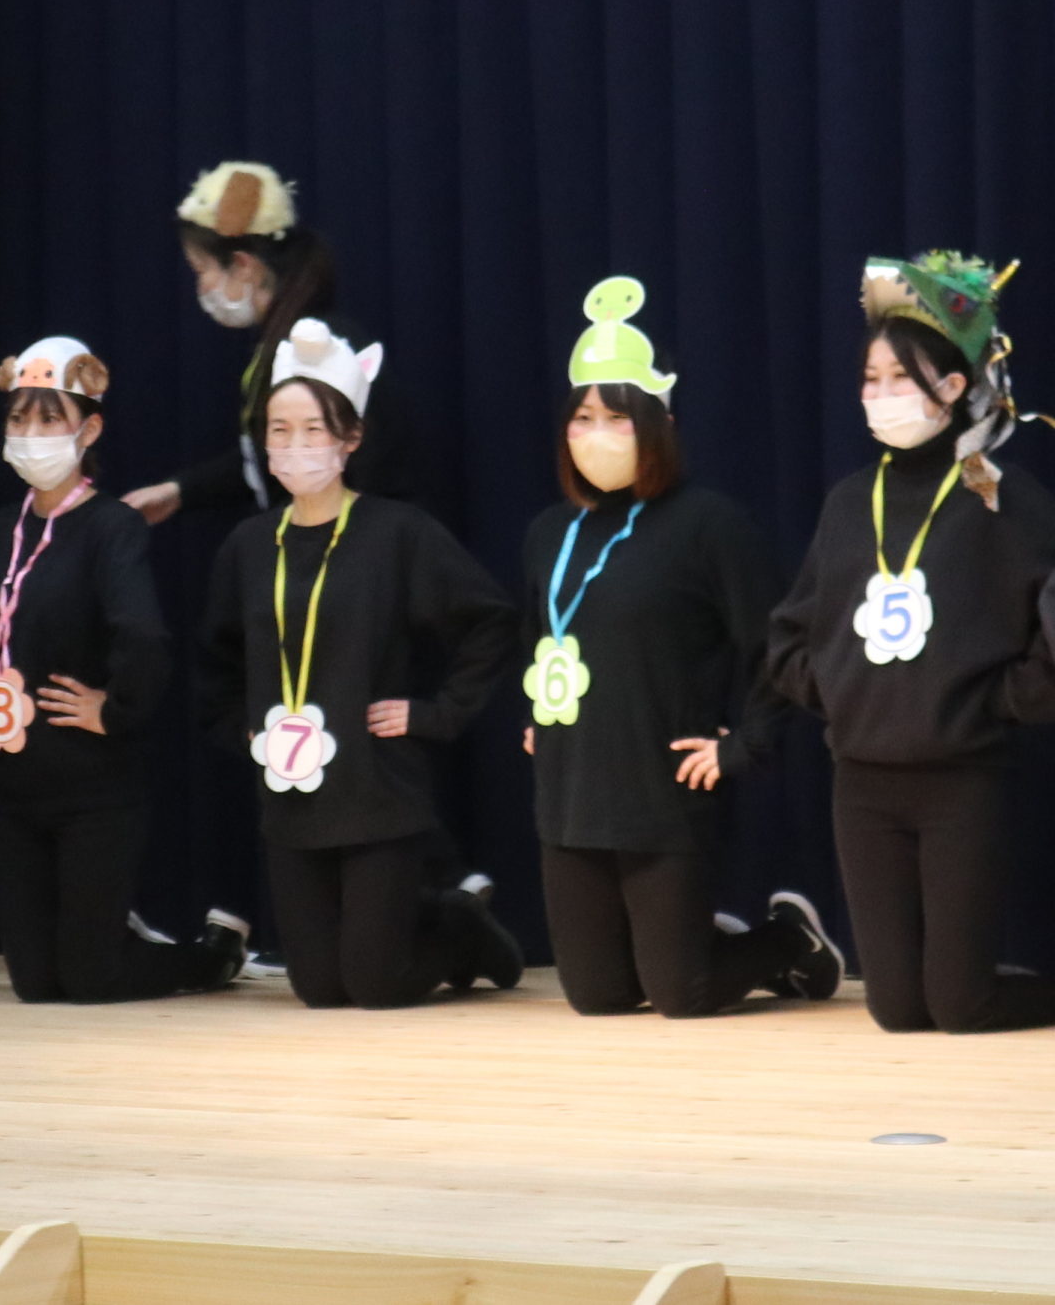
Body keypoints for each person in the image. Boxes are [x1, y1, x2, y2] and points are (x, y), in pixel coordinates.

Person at [523, 277, 841, 1016]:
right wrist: (535, 713)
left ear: (658, 424)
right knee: (598, 996)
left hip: (661, 796)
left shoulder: (708, 524)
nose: (595, 434)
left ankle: (784, 941)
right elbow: (543, 635)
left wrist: (745, 745)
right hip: (570, 791)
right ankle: (686, 939)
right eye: (581, 419)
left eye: (615, 418)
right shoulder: (549, 532)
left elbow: (776, 642)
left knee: (680, 994)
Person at [767, 252, 1055, 1033]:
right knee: (896, 1009)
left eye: (901, 378)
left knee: (959, 1005)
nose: (882, 394)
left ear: (953, 386)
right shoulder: (849, 500)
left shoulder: (1002, 497)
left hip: (961, 780)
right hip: (863, 784)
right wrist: (840, 691)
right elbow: (790, 634)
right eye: (871, 379)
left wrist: (998, 700)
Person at [200, 320, 523, 1008]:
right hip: (293, 797)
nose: (295, 445)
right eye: (280, 430)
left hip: (378, 795)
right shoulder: (250, 545)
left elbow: (490, 619)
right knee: (319, 990)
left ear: (350, 438)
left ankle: (461, 927)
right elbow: (216, 657)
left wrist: (437, 714)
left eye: (313, 429)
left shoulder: (397, 532)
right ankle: (438, 913)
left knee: (374, 985)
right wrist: (240, 726)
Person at [0, 336, 252, 1003]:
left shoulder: (110, 526)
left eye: (49, 419)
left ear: (88, 429)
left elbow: (145, 636)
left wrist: (116, 709)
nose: (30, 433)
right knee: (35, 985)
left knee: (89, 980)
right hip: (13, 787)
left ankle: (205, 960)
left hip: (92, 788)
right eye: (19, 418)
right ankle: (106, 931)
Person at [126, 160, 417, 524]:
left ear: (243, 266)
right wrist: (180, 491)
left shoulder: (317, 351)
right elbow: (263, 462)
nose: (200, 286)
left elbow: (368, 473)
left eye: (201, 270)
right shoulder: (276, 348)